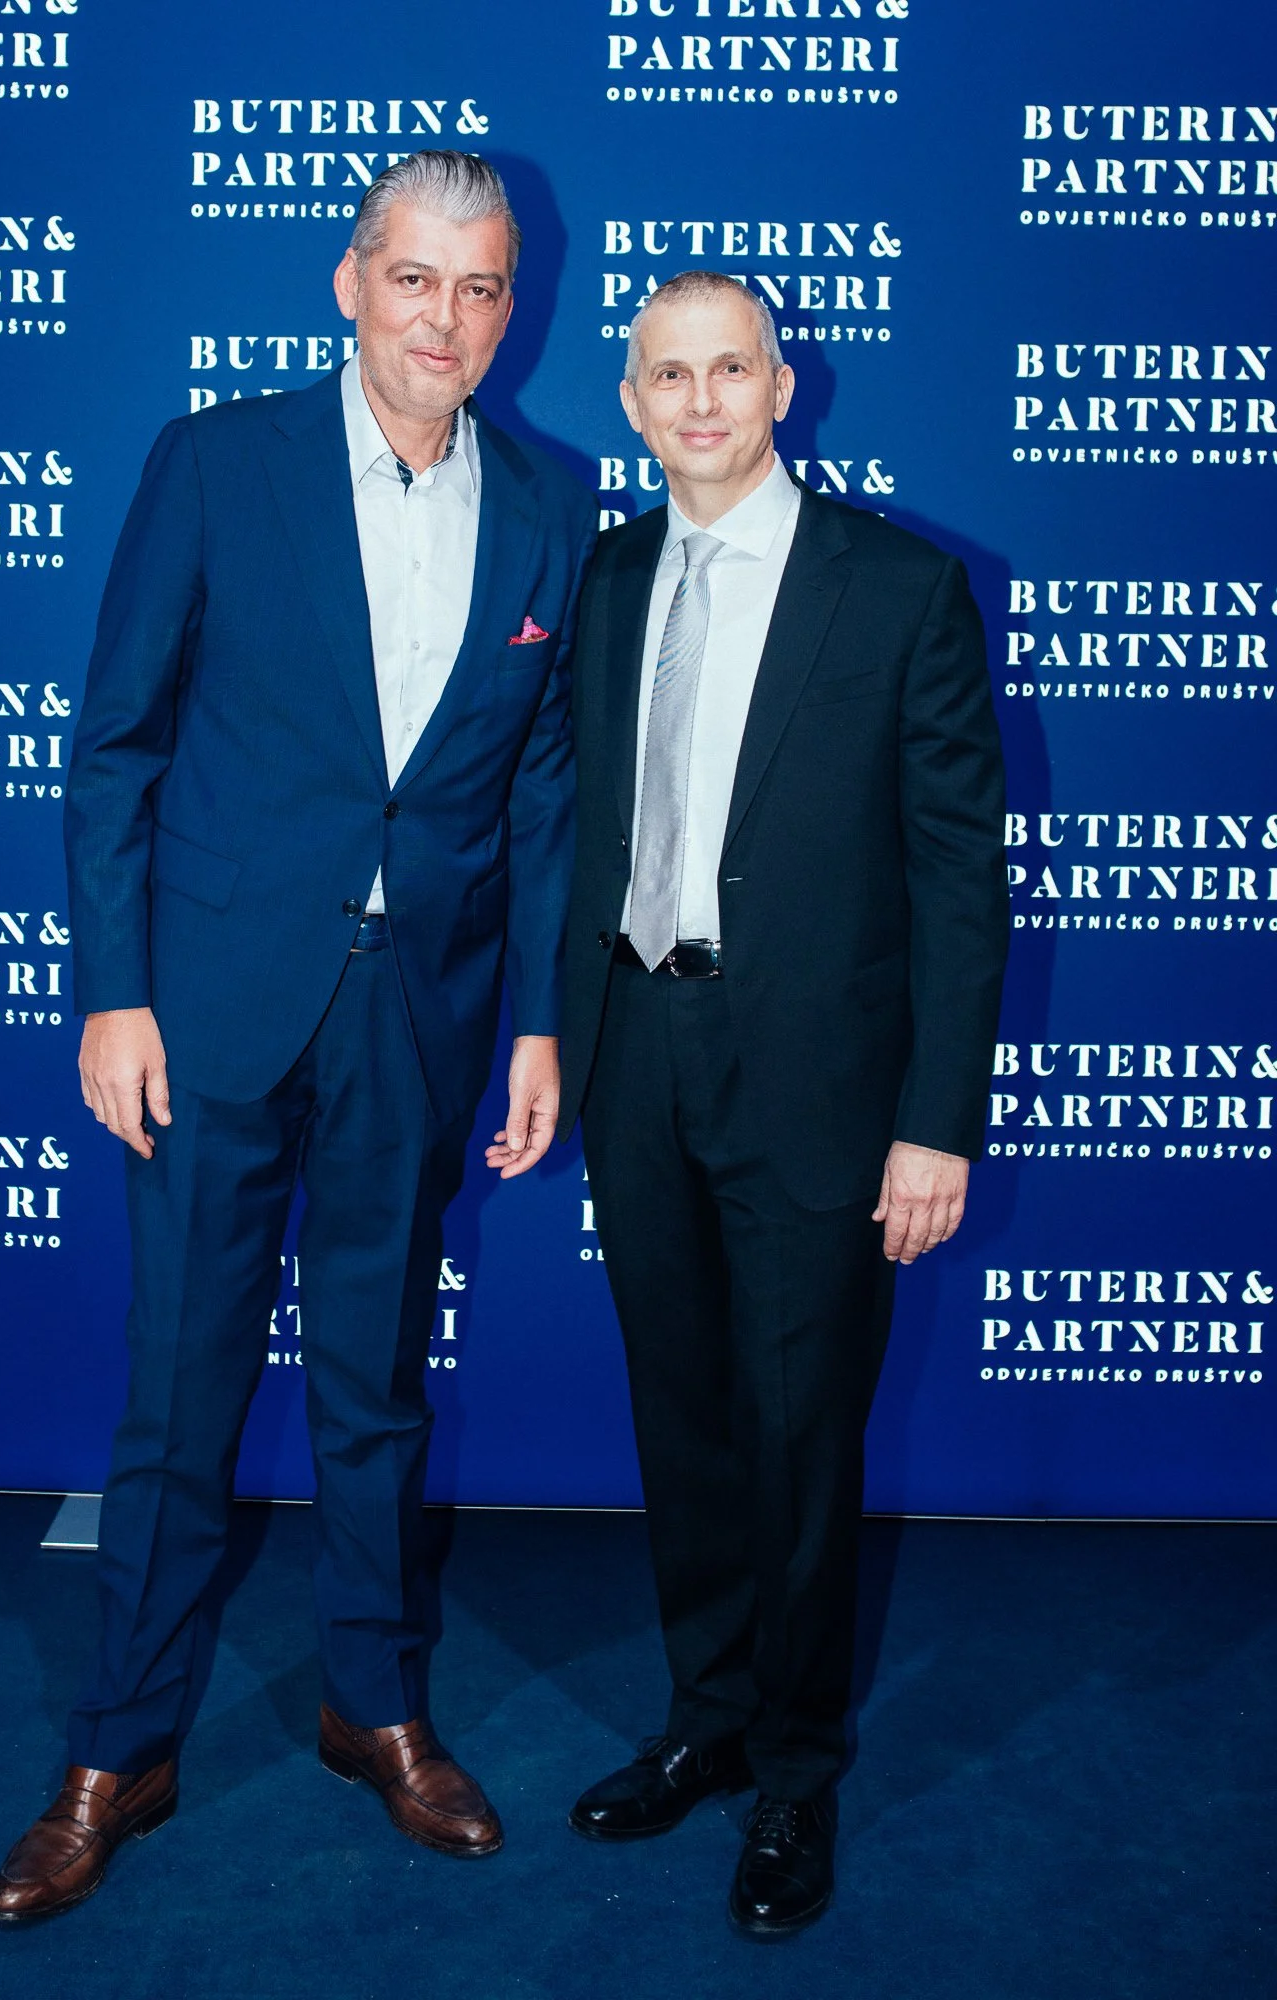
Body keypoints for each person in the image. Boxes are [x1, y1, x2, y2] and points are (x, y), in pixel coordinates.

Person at [0, 151, 596, 1924]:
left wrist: (542, 1023)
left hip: (419, 1024)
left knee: (377, 1392)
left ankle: (373, 1708)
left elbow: (542, 801)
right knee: (177, 1395)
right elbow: (118, 747)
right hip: (214, 1012)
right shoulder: (212, 463)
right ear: (350, 283)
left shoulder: (549, 510)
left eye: (482, 290)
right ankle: (120, 1747)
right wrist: (113, 988)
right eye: (416, 281)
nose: (448, 321)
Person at [557, 270, 1007, 1940]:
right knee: (682, 1420)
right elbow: (584, 838)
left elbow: (963, 881)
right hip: (640, 1059)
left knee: (800, 1434)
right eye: (666, 375)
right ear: (631, 398)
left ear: (781, 383)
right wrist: (561, 1044)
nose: (697, 402)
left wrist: (937, 1117)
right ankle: (711, 1719)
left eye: (726, 369)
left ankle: (798, 1777)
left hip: (821, 1085)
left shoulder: (899, 589)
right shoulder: (609, 579)